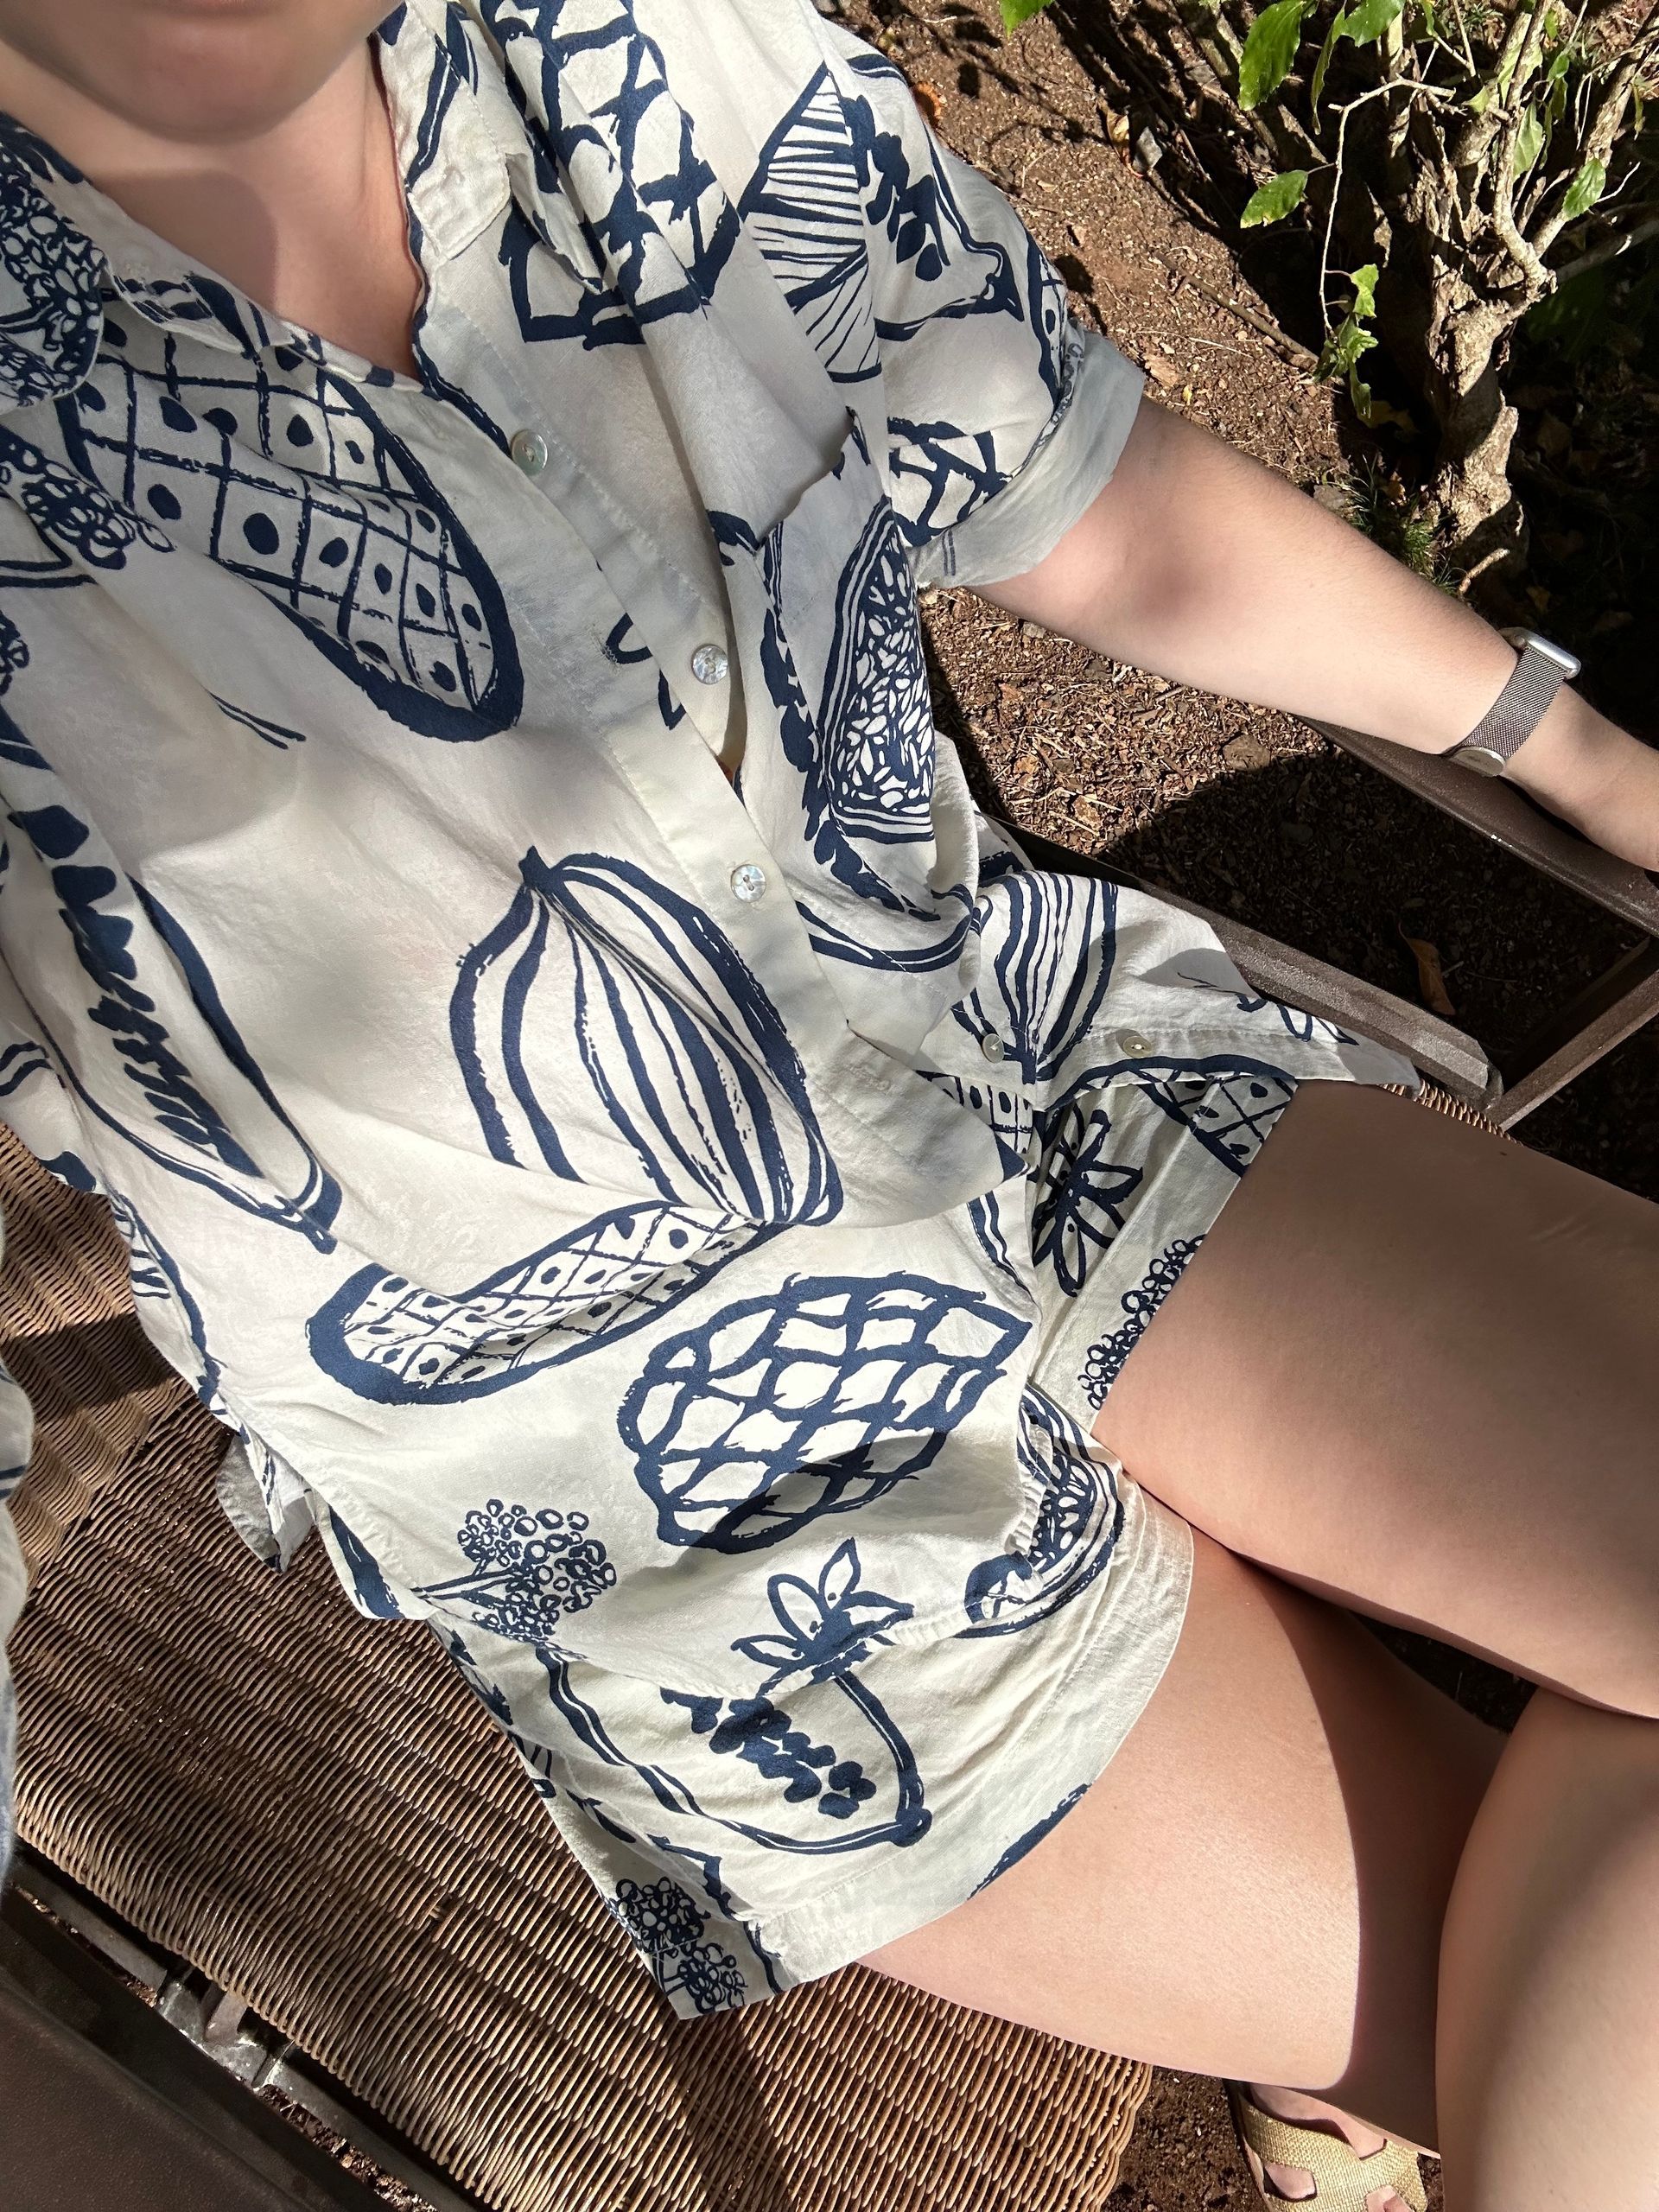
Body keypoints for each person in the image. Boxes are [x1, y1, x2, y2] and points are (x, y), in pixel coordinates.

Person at [0, 2, 1653, 2203]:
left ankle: (1377, 2085)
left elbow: (1074, 480)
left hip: (1050, 1079)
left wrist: (1576, 749)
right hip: (678, 1511)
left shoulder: (611, 46)